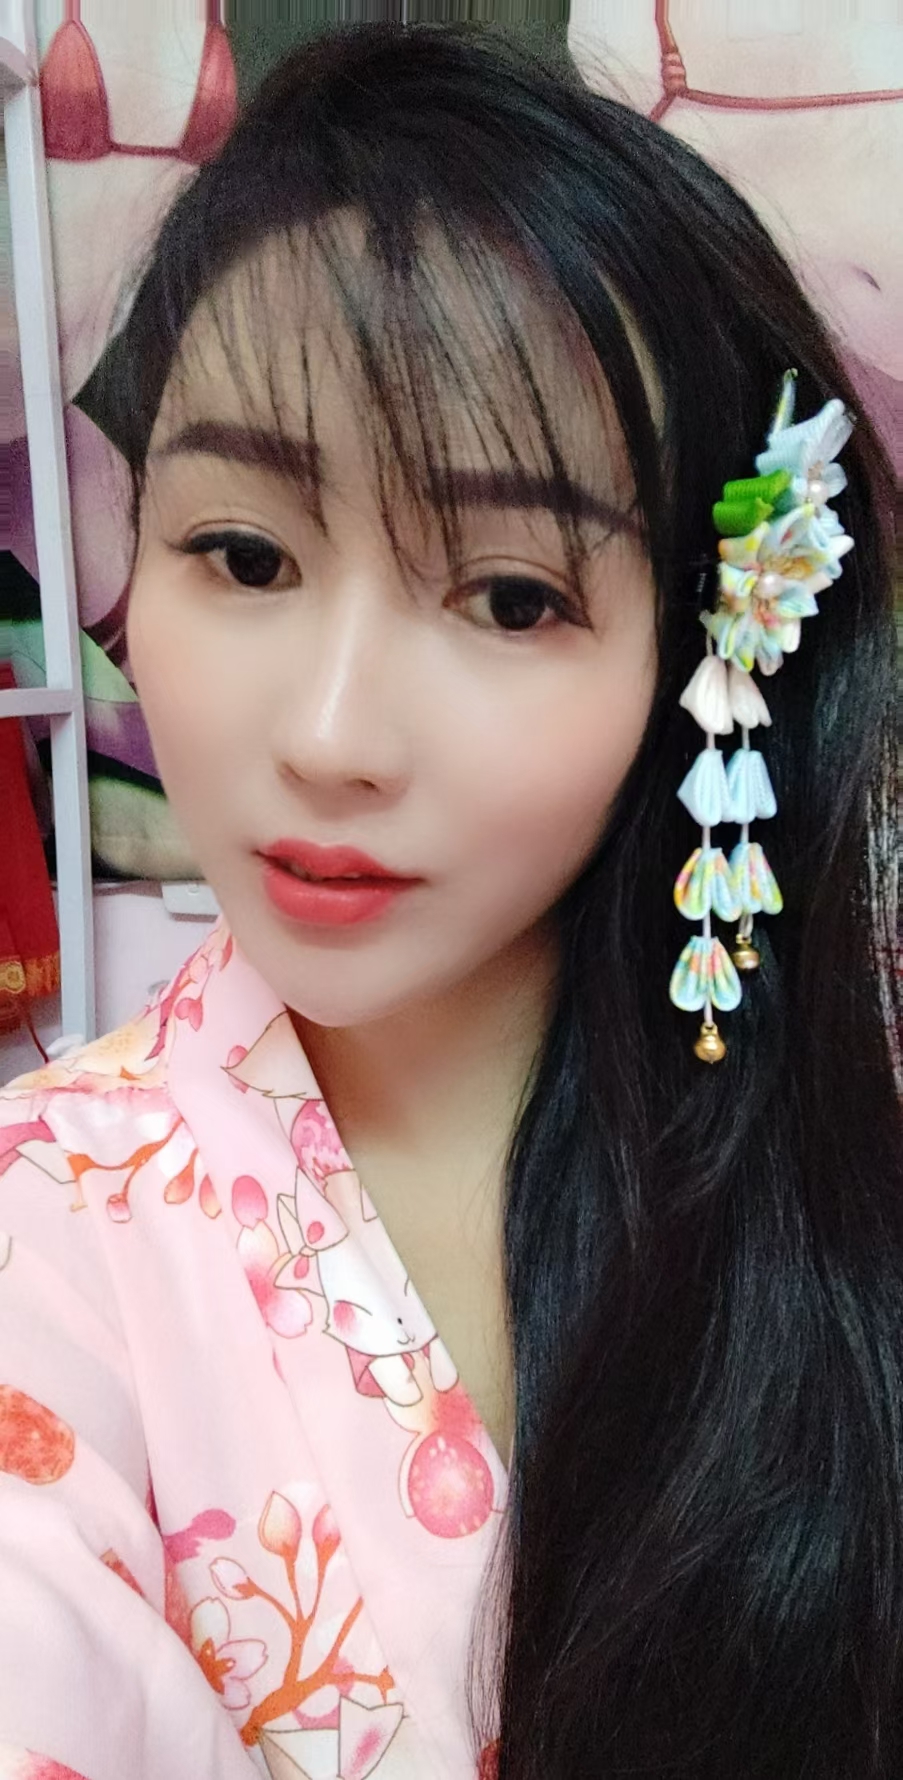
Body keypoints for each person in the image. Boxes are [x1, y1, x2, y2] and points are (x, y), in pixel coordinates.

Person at [1, 24, 900, 1780]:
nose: (330, 740)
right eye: (244, 555)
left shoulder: (839, 1140)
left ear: (704, 653)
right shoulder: (48, 1239)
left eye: (507, 598)